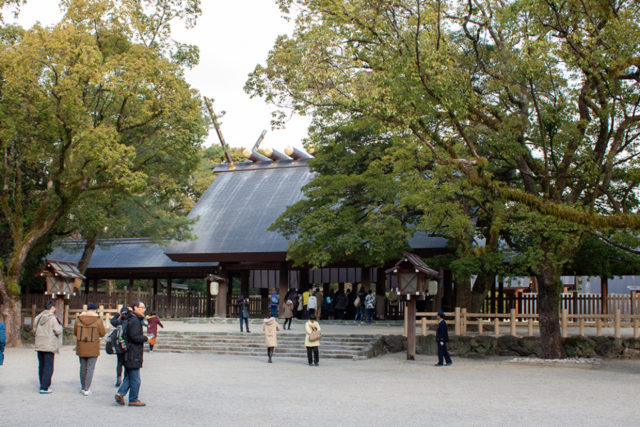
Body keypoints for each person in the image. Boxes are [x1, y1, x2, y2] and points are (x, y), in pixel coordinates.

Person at [115, 300, 151, 407]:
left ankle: (120, 393)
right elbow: (134, 337)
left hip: (129, 352)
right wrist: (146, 338)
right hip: (133, 352)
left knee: (130, 376)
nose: (144, 310)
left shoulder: (130, 319)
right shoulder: (135, 321)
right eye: (142, 307)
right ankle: (133, 399)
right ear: (135, 308)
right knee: (135, 379)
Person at [74, 303, 106, 395]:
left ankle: (83, 386)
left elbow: (75, 332)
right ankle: (87, 388)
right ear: (95, 310)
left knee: (82, 367)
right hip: (93, 345)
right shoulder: (98, 320)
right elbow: (102, 333)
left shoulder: (78, 319)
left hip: (81, 345)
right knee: (90, 368)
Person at [34, 300, 63, 394]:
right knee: (48, 366)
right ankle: (45, 387)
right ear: (52, 307)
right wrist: (61, 326)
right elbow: (58, 330)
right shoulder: (52, 318)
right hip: (49, 344)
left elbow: (34, 329)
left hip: (39, 343)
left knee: (41, 365)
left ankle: (42, 383)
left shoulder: (38, 317)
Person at [110, 306, 130, 386]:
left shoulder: (119, 321)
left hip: (119, 345)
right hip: (127, 345)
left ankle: (118, 377)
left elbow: (112, 321)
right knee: (126, 363)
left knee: (119, 362)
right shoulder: (129, 321)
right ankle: (125, 379)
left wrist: (117, 315)